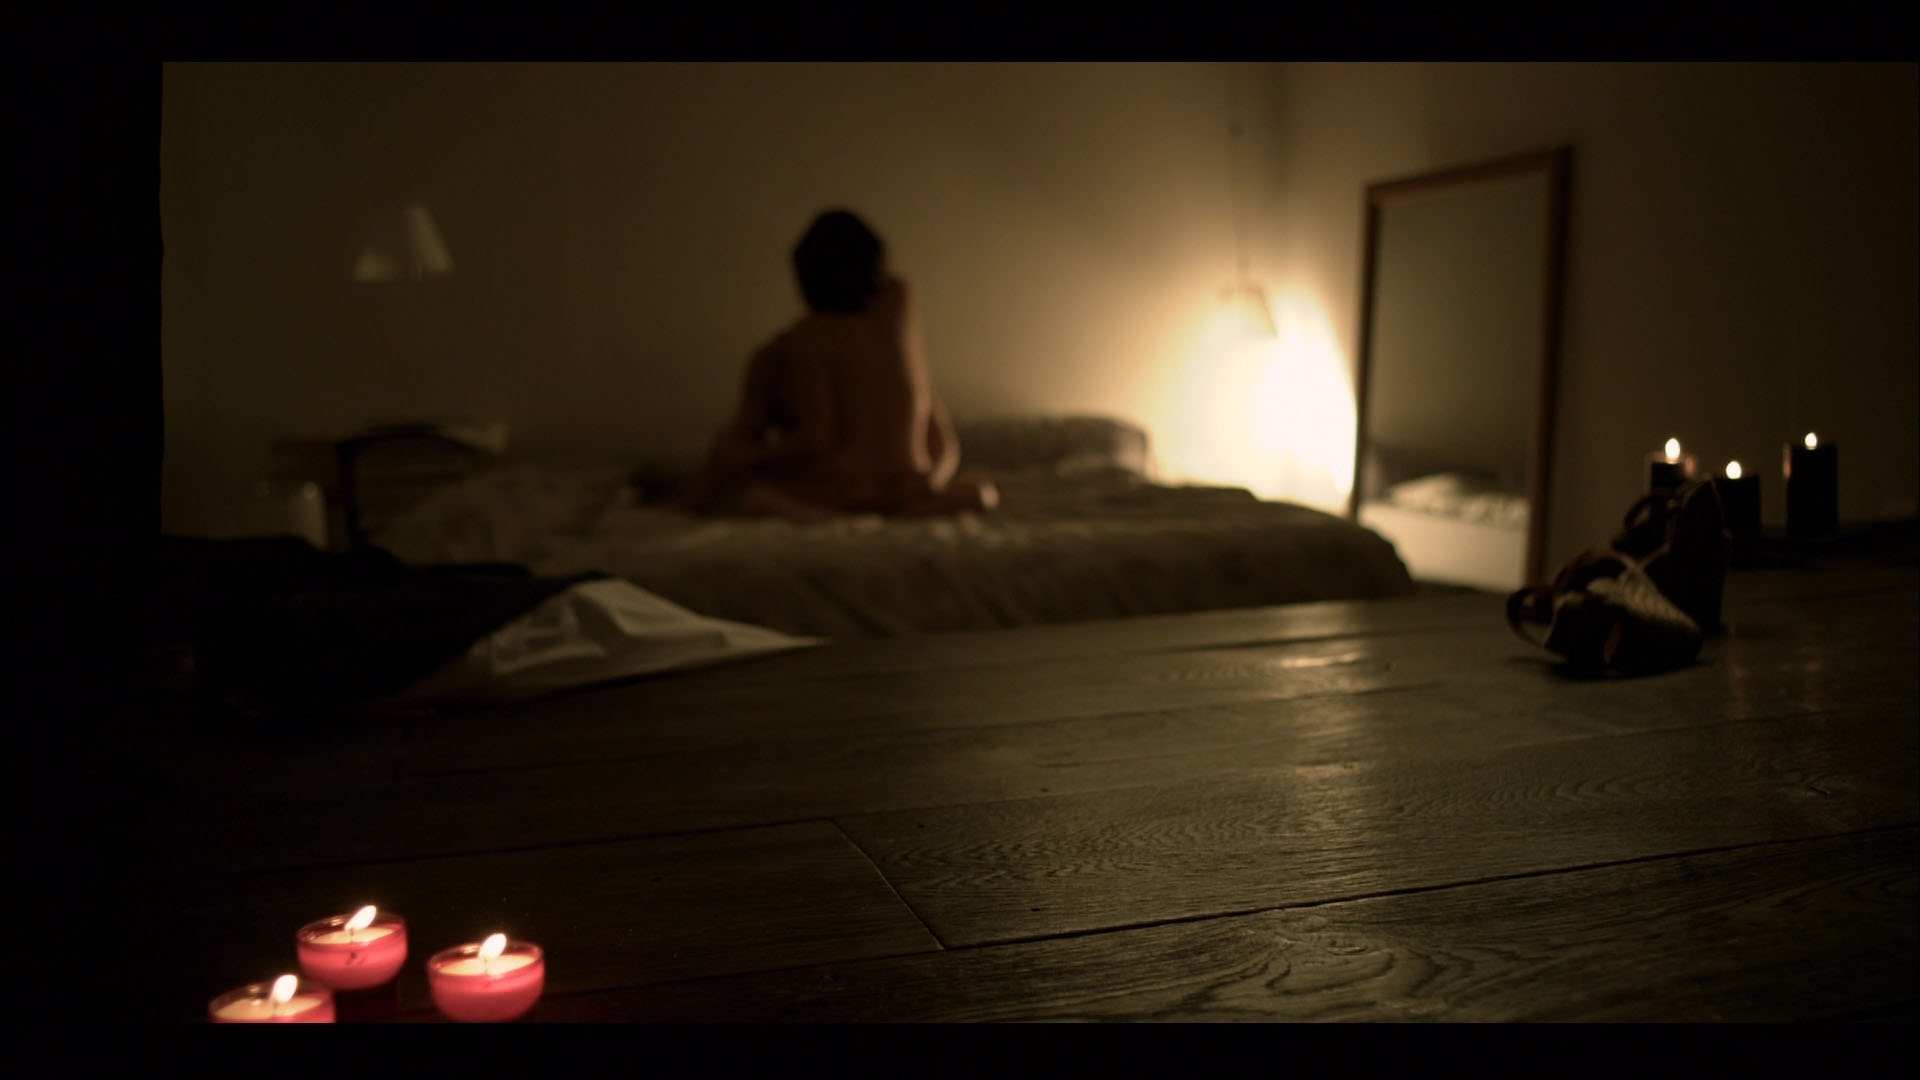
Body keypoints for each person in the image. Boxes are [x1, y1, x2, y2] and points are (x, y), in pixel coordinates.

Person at [689, 209, 998, 520]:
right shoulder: (897, 318)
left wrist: (742, 458)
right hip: (907, 489)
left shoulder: (801, 342)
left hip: (844, 494)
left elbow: (816, 438)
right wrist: (928, 481)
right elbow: (945, 445)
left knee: (745, 490)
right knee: (981, 493)